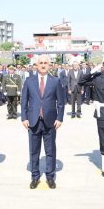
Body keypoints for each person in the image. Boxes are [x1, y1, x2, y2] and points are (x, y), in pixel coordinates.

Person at [21, 55, 65, 189]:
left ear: (50, 65)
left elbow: (61, 102)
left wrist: (59, 118)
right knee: (34, 151)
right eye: (41, 63)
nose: (43, 65)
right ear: (36, 65)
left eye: (46, 63)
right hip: (33, 121)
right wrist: (24, 117)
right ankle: (35, 177)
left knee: (50, 150)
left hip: (50, 122)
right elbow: (24, 101)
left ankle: (50, 177)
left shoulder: (55, 81)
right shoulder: (29, 81)